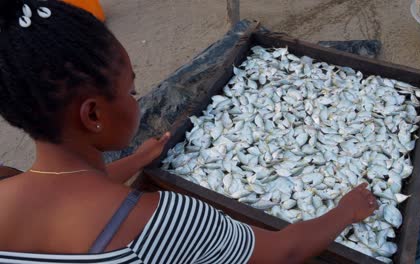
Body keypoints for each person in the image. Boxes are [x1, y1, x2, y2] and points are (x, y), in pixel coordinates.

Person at [0, 0, 378, 263]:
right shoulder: (163, 223)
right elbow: (284, 251)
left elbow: (69, 191)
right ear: (94, 115)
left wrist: (135, 160)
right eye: (132, 90)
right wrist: (345, 212)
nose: (137, 99)